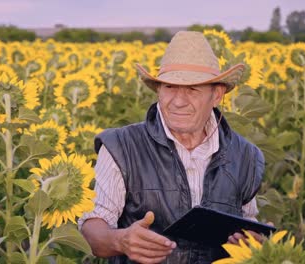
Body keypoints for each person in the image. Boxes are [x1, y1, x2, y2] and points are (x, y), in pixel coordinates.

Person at [78, 31, 266, 263]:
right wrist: (120, 240)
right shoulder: (122, 146)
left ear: (216, 95)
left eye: (192, 89)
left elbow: (249, 223)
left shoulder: (245, 156)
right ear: (158, 90)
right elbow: (93, 228)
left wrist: (253, 245)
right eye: (169, 87)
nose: (178, 101)